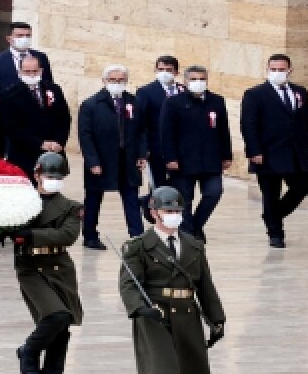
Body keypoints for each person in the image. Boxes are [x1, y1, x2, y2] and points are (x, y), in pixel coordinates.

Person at [120, 186, 226, 374]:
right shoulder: (139, 246)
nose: (174, 216)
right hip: (155, 314)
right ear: (154, 213)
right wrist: (141, 309)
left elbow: (205, 286)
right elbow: (129, 285)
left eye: (178, 211)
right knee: (167, 371)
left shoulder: (193, 245)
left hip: (186, 314)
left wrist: (216, 319)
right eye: (168, 211)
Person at [8, 152, 83, 374]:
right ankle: (29, 351)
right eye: (48, 176)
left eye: (58, 177)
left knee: (62, 331)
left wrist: (30, 234)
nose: (53, 181)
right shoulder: (21, 202)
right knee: (56, 316)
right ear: (36, 175)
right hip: (30, 267)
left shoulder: (71, 207)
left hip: (59, 267)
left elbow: (67, 235)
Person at [240, 54, 308, 248]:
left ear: (290, 70)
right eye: (273, 69)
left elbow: (307, 120)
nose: (277, 72)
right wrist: (254, 151)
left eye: (281, 69)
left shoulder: (300, 92)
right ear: (267, 69)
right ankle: (276, 233)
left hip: (295, 152)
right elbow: (249, 125)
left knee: (300, 188)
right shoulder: (255, 94)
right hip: (268, 153)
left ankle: (272, 215)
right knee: (271, 193)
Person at [159, 65, 232, 243]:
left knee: (214, 192)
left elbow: (223, 130)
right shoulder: (174, 102)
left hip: (211, 160)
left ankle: (196, 225)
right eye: (193, 79)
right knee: (185, 199)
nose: (198, 83)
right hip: (183, 161)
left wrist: (226, 155)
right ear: (185, 81)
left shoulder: (217, 101)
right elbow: (166, 133)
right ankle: (189, 234)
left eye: (202, 79)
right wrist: (170, 158)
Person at [78, 64, 147, 249]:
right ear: (104, 81)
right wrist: (92, 161)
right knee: (94, 197)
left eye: (121, 80)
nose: (117, 83)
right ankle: (90, 235)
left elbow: (142, 131)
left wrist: (142, 154)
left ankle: (137, 235)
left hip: (128, 159)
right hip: (102, 159)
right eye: (113, 80)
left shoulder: (134, 102)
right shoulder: (91, 104)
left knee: (131, 197)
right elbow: (85, 135)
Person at [0, 55, 71, 180]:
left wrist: (59, 141)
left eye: (35, 71)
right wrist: (40, 144)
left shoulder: (54, 89)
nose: (32, 74)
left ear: (41, 71)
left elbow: (64, 118)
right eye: (27, 71)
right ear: (20, 72)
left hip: (53, 156)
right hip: (25, 156)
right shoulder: (9, 95)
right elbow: (11, 128)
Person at [135, 55, 182, 223]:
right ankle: (158, 215)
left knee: (178, 185)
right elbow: (140, 123)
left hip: (180, 148)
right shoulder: (146, 92)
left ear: (176, 72)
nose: (164, 73)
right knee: (159, 185)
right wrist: (143, 149)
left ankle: (150, 204)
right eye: (161, 69)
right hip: (155, 148)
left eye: (168, 70)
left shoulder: (183, 91)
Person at [0, 22, 54, 90]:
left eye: (28, 36)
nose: (24, 39)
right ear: (8, 39)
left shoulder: (41, 57)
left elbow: (49, 84)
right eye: (20, 36)